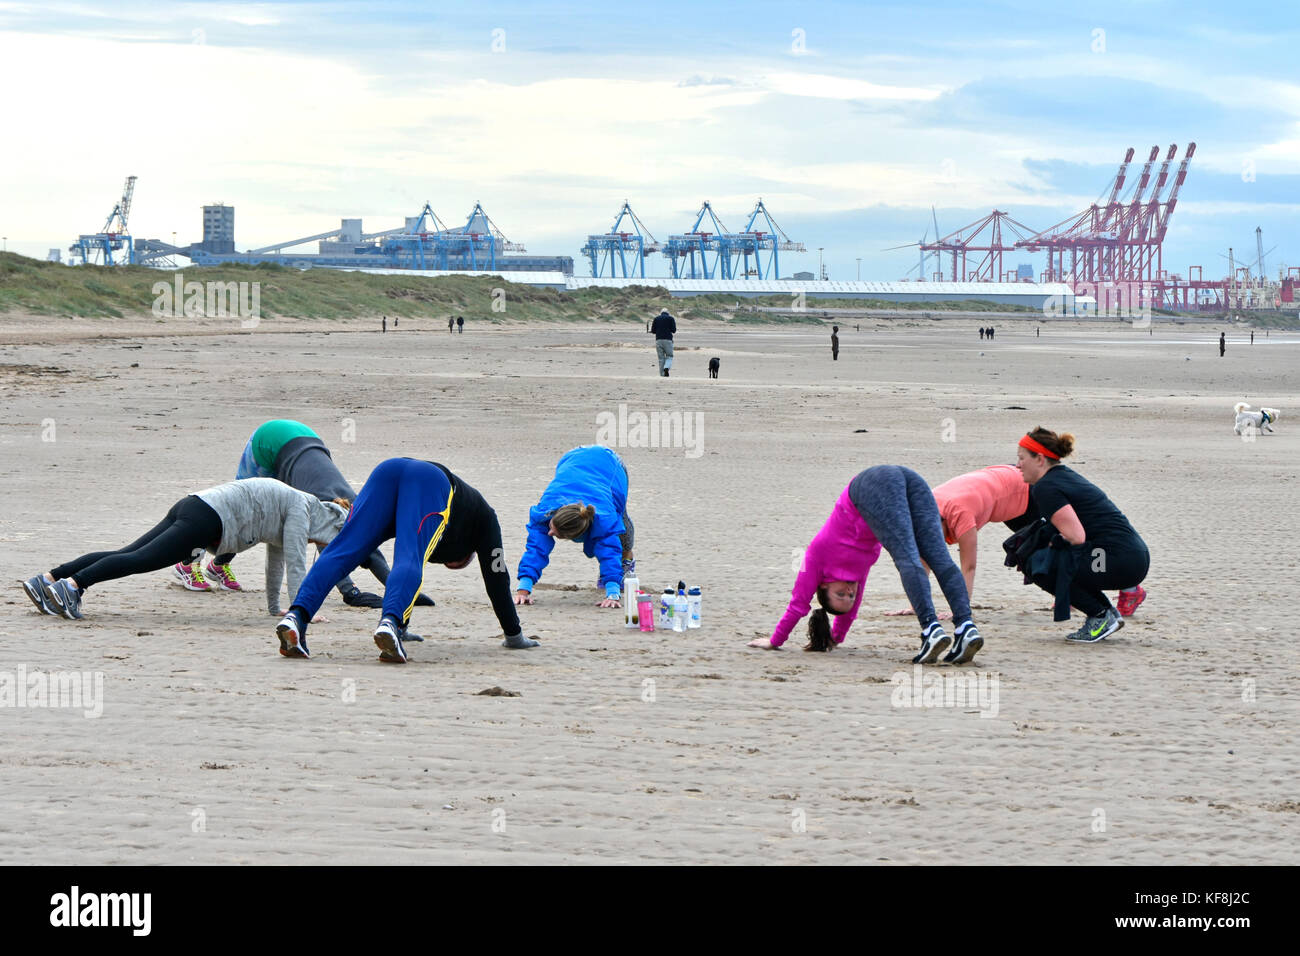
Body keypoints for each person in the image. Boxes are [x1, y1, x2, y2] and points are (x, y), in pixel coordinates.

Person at [275, 458, 538, 663]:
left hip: (388, 471)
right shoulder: (487, 521)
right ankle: (390, 622)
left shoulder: (464, 524)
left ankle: (296, 616)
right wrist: (513, 635)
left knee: (343, 549)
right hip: (431, 481)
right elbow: (497, 577)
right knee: (410, 556)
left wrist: (406, 626)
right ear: (466, 555)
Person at [748, 465, 983, 665]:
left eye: (841, 593)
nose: (850, 592)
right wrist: (835, 638)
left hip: (869, 486)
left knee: (907, 557)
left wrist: (775, 641)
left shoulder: (816, 557)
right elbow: (851, 612)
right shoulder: (855, 577)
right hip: (908, 478)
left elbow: (798, 605)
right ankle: (966, 627)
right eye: (849, 597)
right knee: (938, 557)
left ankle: (931, 630)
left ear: (823, 586)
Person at [23, 478, 347, 622]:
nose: (316, 546)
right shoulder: (302, 511)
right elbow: (295, 562)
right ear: (328, 530)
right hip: (208, 519)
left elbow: (276, 560)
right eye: (324, 544)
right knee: (140, 560)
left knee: (128, 551)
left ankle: (48, 580)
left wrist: (276, 607)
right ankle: (73, 586)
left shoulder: (300, 506)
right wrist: (301, 611)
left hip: (195, 504)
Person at [173, 420, 413, 610]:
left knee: (264, 518)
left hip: (301, 438)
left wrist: (399, 591)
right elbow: (328, 548)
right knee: (239, 514)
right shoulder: (322, 505)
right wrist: (351, 592)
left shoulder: (353, 506)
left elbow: (369, 546)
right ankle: (187, 563)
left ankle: (218, 567)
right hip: (267, 443)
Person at [1015, 427, 1150, 642]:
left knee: (1041, 564)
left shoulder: (1046, 487)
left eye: (1022, 458)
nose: (1018, 465)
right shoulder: (1061, 476)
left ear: (1039, 459)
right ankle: (1107, 614)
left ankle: (1100, 616)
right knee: (1048, 558)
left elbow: (1076, 537)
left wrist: (1049, 546)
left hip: (1119, 560)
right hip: (1132, 557)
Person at [514, 445, 634, 609]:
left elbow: (608, 551)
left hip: (610, 465)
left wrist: (613, 593)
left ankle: (626, 563)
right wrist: (523, 590)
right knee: (542, 536)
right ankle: (611, 576)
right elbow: (536, 549)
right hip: (573, 457)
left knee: (620, 525)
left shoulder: (604, 518)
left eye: (556, 533)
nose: (549, 533)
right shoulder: (545, 511)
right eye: (551, 527)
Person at [650, 308, 676, 377]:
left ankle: (662, 374)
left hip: (658, 340)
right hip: (668, 340)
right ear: (668, 313)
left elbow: (653, 331)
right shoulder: (671, 318)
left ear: (661, 312)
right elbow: (674, 330)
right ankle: (666, 367)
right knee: (669, 356)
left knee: (661, 359)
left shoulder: (656, 319)